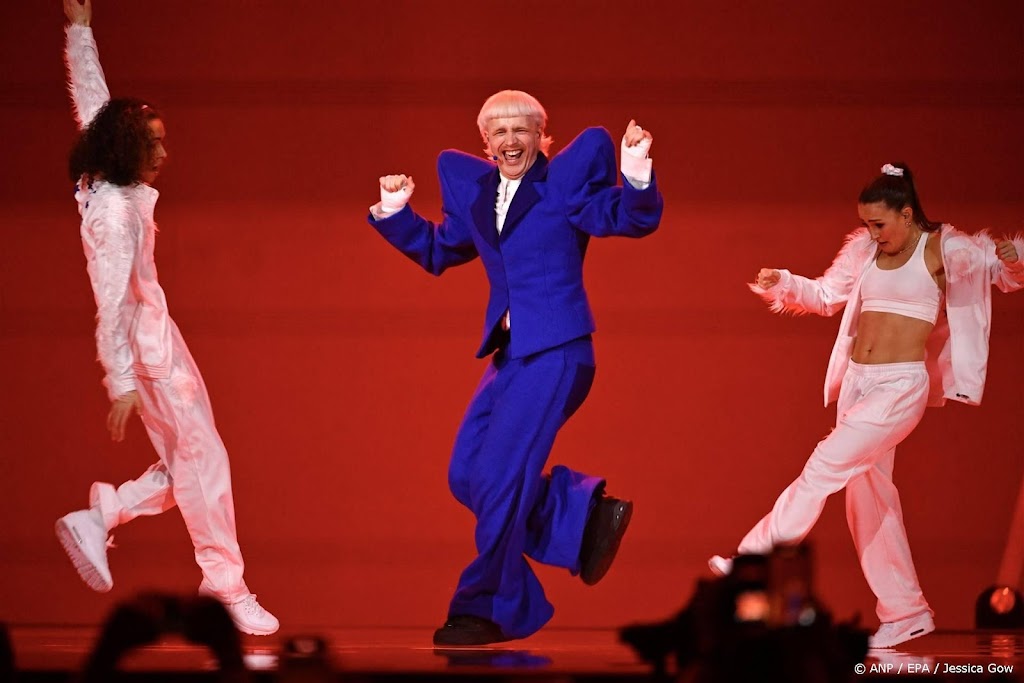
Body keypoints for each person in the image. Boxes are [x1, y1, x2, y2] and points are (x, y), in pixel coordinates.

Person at [367, 90, 663, 645]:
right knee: (467, 475)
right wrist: (395, 213)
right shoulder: (478, 194)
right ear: (486, 142)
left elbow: (623, 216)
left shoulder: (562, 186)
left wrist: (637, 173)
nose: (510, 141)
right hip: (511, 355)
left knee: (502, 478)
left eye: (522, 131)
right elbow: (441, 249)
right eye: (499, 133)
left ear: (540, 136)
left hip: (558, 350)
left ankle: (486, 607)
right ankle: (577, 520)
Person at [709, 162, 1024, 649]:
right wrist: (783, 282)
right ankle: (906, 612)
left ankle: (753, 556)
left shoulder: (944, 248)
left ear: (907, 213)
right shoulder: (865, 250)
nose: (872, 233)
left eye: (879, 223)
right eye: (866, 224)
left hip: (899, 388)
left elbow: (1003, 273)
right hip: (858, 384)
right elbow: (825, 295)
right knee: (868, 501)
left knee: (823, 466)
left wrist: (1011, 258)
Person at [55, 0, 278, 636]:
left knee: (196, 460)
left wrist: (80, 31)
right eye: (153, 145)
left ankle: (106, 514)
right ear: (126, 150)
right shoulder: (115, 214)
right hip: (147, 350)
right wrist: (121, 381)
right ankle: (225, 582)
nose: (164, 155)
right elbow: (111, 300)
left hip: (161, 340)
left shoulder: (108, 183)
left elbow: (93, 103)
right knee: (204, 463)